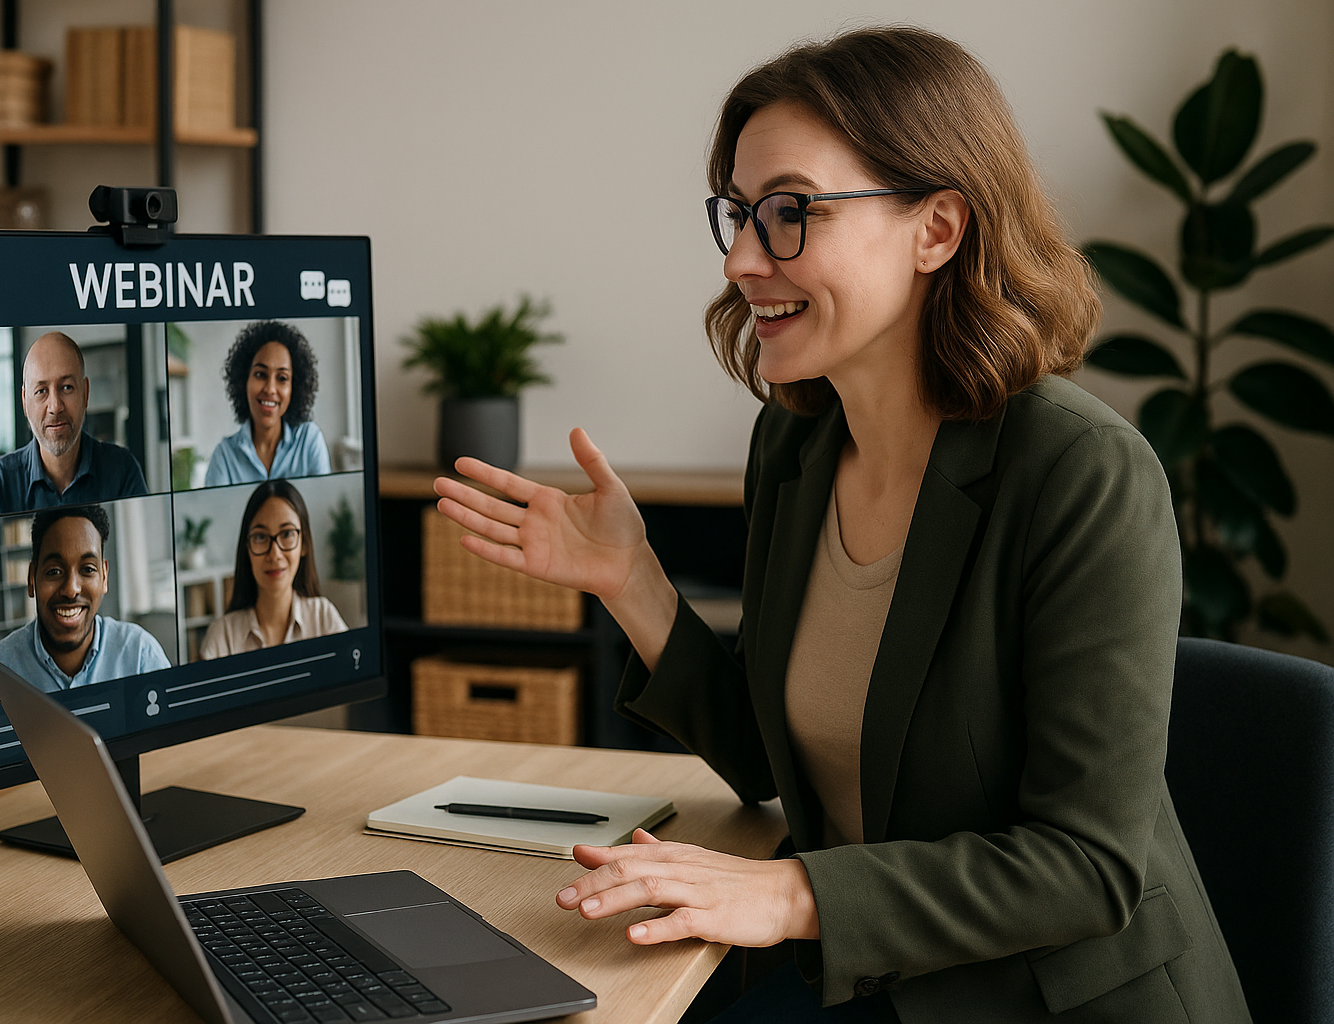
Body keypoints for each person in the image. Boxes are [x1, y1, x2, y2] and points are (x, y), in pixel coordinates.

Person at [433, 27, 1250, 1024]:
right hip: (872, 980)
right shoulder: (797, 445)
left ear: (937, 229)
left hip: (1051, 1001)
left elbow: (1083, 868)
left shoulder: (1082, 474)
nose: (741, 258)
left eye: (788, 213)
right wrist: (632, 581)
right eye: (737, 215)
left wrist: (785, 893)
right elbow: (778, 754)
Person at [0, 505, 170, 709]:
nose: (71, 589)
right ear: (32, 579)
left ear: (104, 577)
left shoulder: (141, 657)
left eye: (87, 569)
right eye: (54, 572)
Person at [0, 331, 148, 517]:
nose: (55, 407)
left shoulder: (122, 471)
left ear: (85, 393)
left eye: (67, 387)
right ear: (25, 403)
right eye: (41, 391)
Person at [199, 479, 347, 659]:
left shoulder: (323, 617)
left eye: (286, 534)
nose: (274, 554)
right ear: (247, 549)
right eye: (261, 537)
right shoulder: (222, 636)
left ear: (304, 544)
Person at [203, 321, 331, 486]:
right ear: (244, 381)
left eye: (282, 378)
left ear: (294, 387)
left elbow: (324, 509)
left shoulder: (309, 440)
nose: (270, 389)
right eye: (260, 374)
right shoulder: (225, 457)